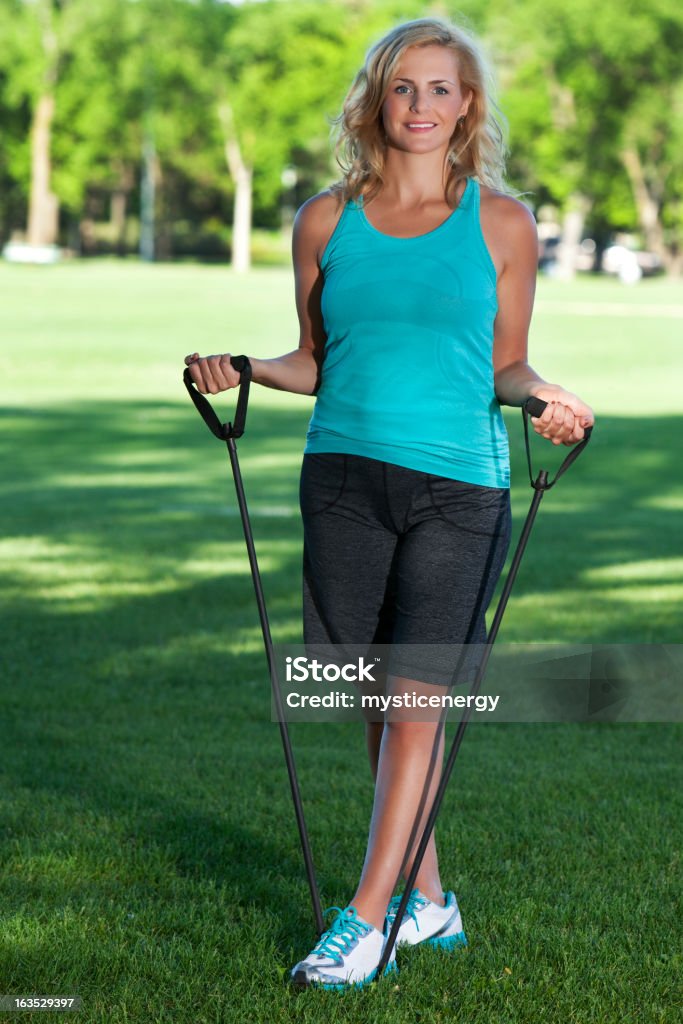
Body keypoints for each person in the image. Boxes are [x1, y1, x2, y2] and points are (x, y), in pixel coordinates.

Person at [185, 16, 594, 991]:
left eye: (440, 89)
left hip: (458, 487)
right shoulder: (325, 220)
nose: (420, 107)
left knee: (417, 697)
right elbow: (317, 362)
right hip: (340, 483)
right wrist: (239, 367)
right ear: (377, 98)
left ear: (467, 106)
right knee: (373, 699)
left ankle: (363, 919)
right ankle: (430, 898)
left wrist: (540, 395)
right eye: (403, 88)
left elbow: (503, 362)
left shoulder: (499, 222)